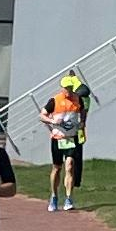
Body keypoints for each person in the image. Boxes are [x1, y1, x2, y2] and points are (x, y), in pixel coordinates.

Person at [39, 77, 84, 212]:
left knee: (70, 166)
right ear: (62, 88)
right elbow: (42, 115)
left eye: (71, 88)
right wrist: (52, 122)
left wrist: (82, 123)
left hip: (72, 138)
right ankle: (54, 196)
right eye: (66, 88)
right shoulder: (54, 100)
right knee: (57, 168)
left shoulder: (78, 99)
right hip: (58, 138)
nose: (69, 91)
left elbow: (83, 111)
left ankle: (69, 198)